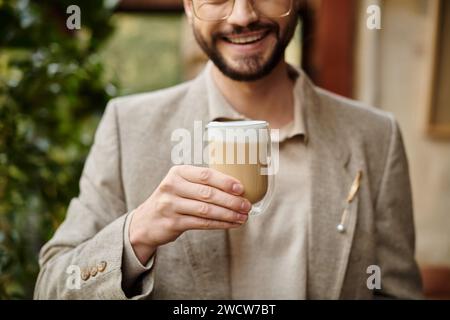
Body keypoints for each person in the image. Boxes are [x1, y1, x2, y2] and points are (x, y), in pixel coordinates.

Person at [34, 0, 423, 299]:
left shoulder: (376, 136)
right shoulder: (127, 126)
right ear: (189, 7)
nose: (242, 16)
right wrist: (136, 235)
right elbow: (52, 286)